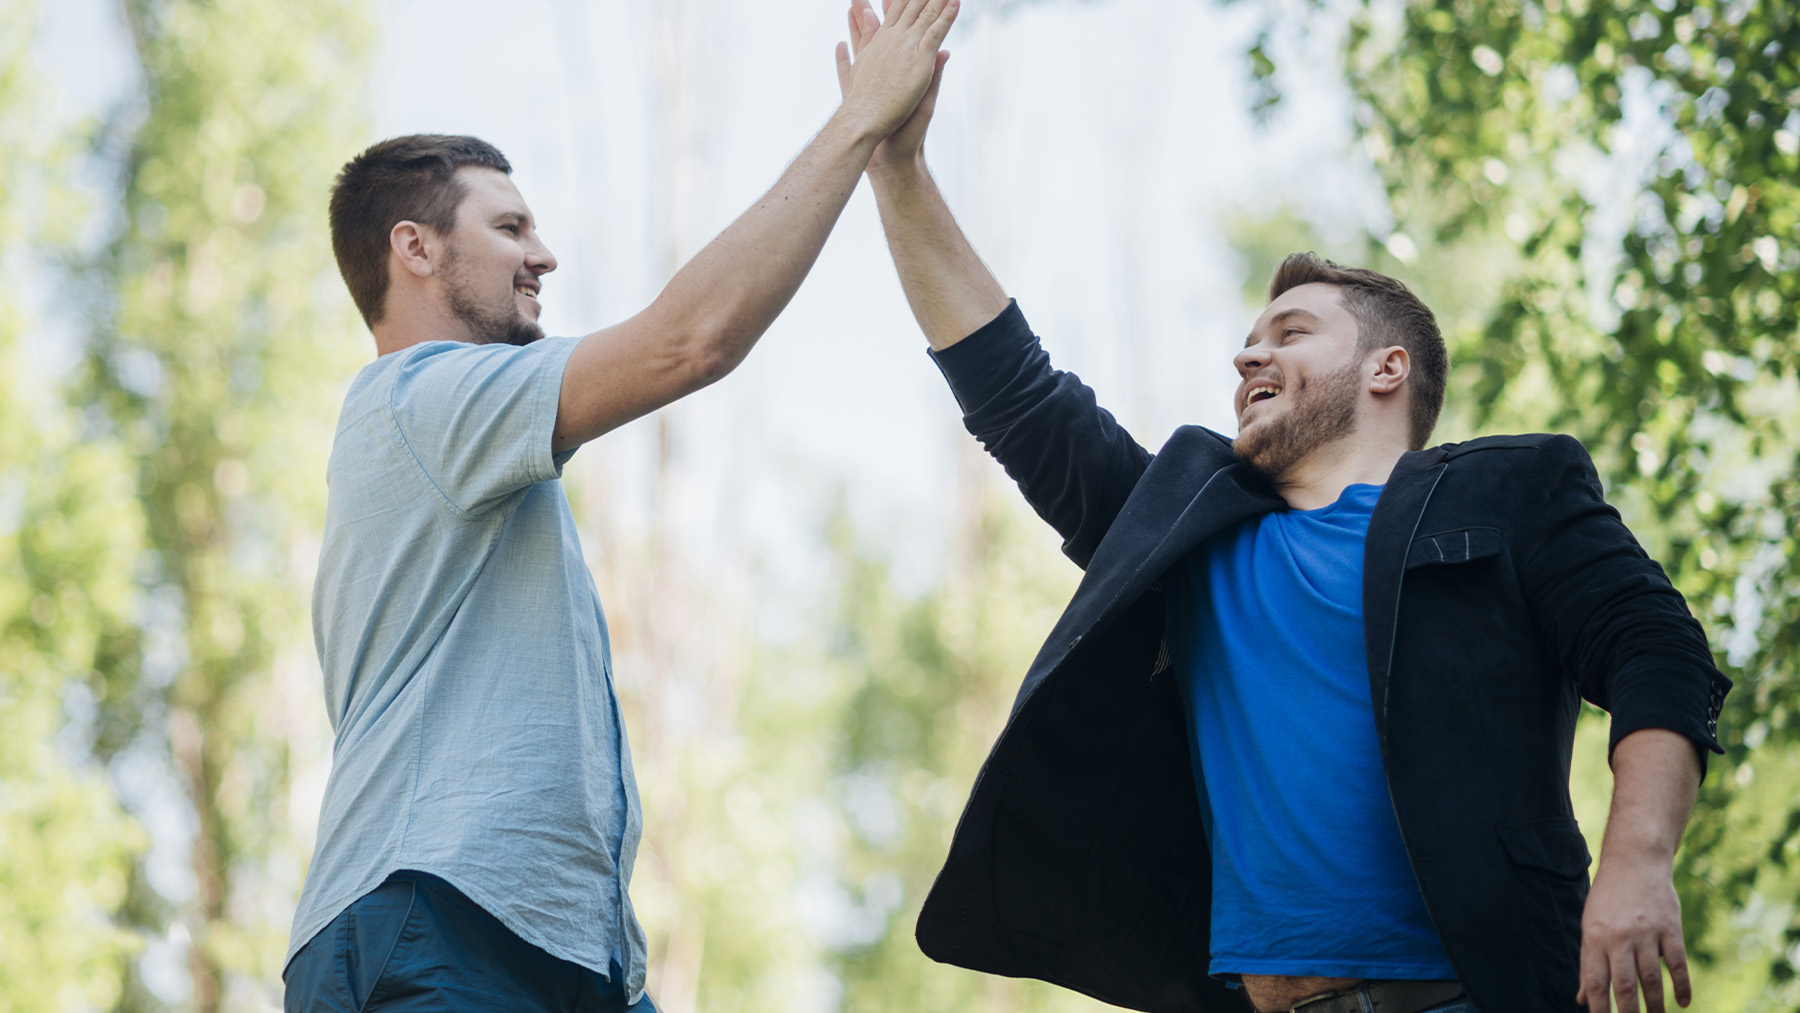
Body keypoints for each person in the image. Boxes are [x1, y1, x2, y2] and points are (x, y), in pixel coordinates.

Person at [835, 4, 1730, 1011]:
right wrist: (895, 165)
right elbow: (1015, 388)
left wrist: (1638, 862)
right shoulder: (1184, 531)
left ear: (1388, 366)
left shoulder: (1510, 491)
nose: (1248, 354)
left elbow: (1659, 651)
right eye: (1248, 341)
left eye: (1290, 332)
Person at [282, 3, 959, 1009]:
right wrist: (859, 124)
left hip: (562, 950)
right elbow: (691, 340)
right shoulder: (418, 398)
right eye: (509, 227)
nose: (544, 255)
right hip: (434, 918)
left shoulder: (464, 439)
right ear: (413, 248)